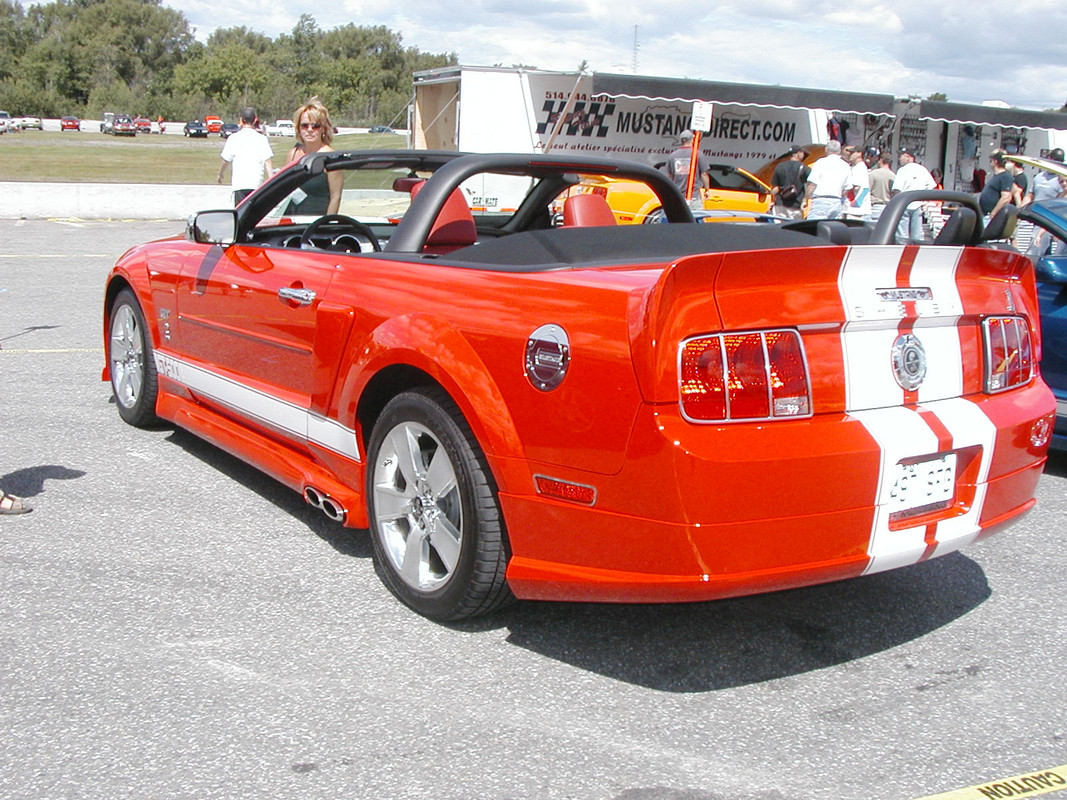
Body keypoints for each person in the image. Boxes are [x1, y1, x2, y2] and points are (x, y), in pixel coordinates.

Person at [283, 97, 344, 216]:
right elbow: (283, 190)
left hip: (316, 223)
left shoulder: (331, 158)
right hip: (290, 220)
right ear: (298, 129)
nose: (310, 130)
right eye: (305, 126)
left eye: (316, 126)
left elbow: (335, 198)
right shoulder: (293, 154)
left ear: (324, 129)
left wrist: (325, 226)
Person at [217, 107, 274, 205]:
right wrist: (271, 179)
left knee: (240, 215)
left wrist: (220, 174)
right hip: (256, 185)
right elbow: (267, 161)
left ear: (241, 120)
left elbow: (226, 160)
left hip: (240, 184)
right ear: (255, 119)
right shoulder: (262, 139)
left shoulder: (233, 138)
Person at [891, 147, 936, 242]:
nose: (899, 159)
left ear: (908, 157)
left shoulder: (902, 170)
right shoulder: (922, 169)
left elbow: (896, 190)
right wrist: (927, 203)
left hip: (904, 206)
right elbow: (932, 188)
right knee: (916, 236)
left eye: (901, 156)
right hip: (918, 206)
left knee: (902, 237)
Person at [804, 140, 851, 219]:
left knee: (814, 227)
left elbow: (812, 184)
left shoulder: (820, 162)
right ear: (839, 151)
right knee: (833, 228)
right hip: (837, 202)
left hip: (821, 201)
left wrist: (805, 199)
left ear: (826, 149)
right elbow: (847, 188)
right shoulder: (846, 165)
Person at [663, 130, 710, 208]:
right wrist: (707, 189)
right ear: (692, 140)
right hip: (693, 196)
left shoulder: (672, 156)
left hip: (678, 197)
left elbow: (670, 176)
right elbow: (704, 174)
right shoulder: (698, 154)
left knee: (679, 219)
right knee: (695, 218)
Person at [770, 146, 809, 219]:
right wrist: (805, 200)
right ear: (798, 154)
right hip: (795, 206)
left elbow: (774, 189)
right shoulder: (804, 168)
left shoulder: (780, 166)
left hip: (780, 205)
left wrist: (772, 201)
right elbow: (811, 184)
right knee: (793, 229)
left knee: (779, 228)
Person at [978, 150, 1015, 223]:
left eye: (991, 160)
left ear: (995, 161)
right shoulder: (997, 176)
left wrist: (994, 212)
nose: (990, 162)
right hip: (985, 214)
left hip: (991, 216)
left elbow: (1006, 197)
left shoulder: (1005, 176)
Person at [841, 145, 871, 221]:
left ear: (859, 154)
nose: (849, 155)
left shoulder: (859, 167)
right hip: (854, 207)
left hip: (855, 208)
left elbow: (854, 186)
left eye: (852, 153)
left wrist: (842, 194)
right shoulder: (856, 167)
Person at [868, 153, 895, 222]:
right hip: (888, 207)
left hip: (875, 206)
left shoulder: (873, 174)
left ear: (881, 160)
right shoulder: (893, 176)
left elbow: (867, 191)